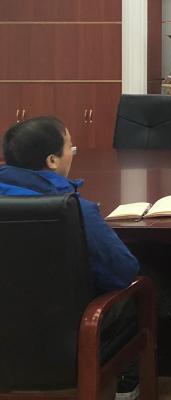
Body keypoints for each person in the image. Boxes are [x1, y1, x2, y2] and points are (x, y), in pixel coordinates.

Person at [0, 117, 142, 399]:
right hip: (70, 337)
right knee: (139, 287)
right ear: (52, 160)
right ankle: (129, 382)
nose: (72, 154)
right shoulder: (73, 210)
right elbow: (123, 272)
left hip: (7, 336)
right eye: (70, 147)